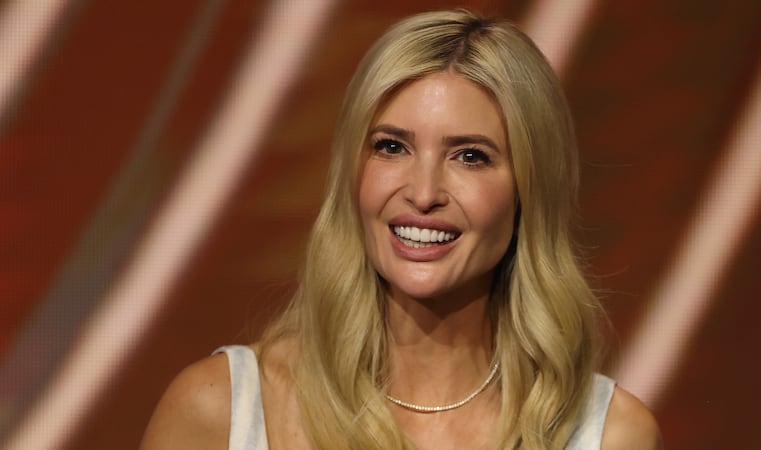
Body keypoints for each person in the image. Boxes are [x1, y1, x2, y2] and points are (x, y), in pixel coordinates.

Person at [141, 8, 663, 450]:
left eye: (470, 156)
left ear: (530, 189)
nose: (423, 191)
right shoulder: (217, 412)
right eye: (391, 147)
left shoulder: (610, 435)